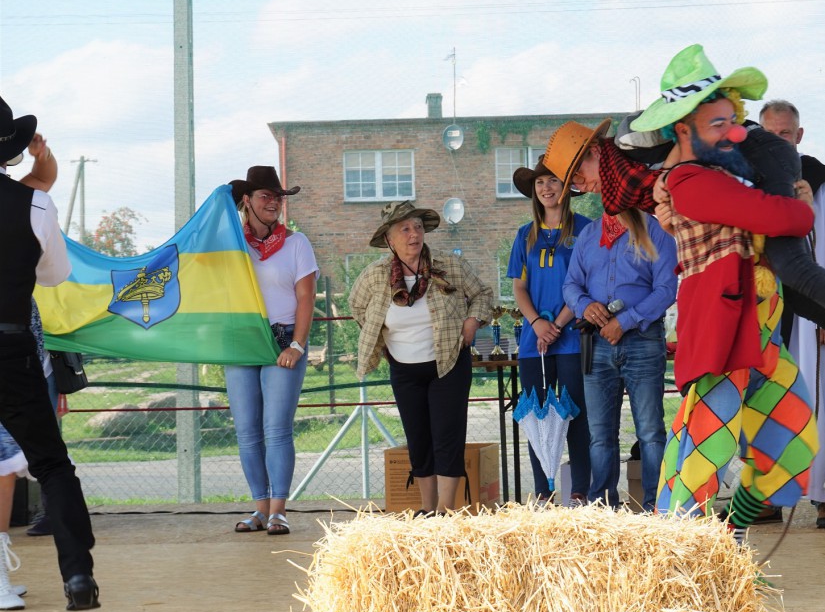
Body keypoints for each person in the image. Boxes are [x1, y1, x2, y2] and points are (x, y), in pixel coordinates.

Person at [546, 46, 825, 441]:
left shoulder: (633, 139)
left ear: (595, 152)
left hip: (762, 153)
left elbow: (707, 153)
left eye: (576, 176)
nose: (581, 188)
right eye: (574, 187)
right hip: (747, 171)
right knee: (798, 293)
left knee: (794, 268)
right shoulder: (627, 184)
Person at [586, 55, 817, 542]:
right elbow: (787, 220)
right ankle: (683, 559)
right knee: (700, 456)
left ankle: (728, 538)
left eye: (732, 118)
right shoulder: (689, 181)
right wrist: (798, 205)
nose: (735, 131)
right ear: (684, 128)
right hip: (726, 331)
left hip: (763, 331)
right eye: (720, 122)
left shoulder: (724, 171)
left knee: (792, 446)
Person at [0, 93, 99, 610]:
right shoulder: (33, 203)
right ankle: (78, 578)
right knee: (52, 465)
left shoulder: (34, 195)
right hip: (9, 346)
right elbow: (55, 275)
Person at [351, 201, 493, 515]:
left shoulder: (449, 266)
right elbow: (357, 307)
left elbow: (483, 293)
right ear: (389, 239)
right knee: (418, 438)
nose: (414, 234)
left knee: (447, 434)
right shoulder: (374, 276)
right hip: (403, 368)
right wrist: (380, 336)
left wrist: (472, 322)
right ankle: (427, 509)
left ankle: (445, 510)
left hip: (449, 363)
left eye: (417, 227)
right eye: (405, 229)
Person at [560, 176, 677, 511]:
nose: (607, 195)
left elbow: (667, 289)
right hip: (596, 343)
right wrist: (585, 305)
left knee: (651, 431)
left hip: (642, 340)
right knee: (600, 434)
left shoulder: (653, 230)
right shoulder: (588, 234)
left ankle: (656, 507)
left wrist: (623, 322)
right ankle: (603, 508)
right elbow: (571, 285)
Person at [759, 100, 825, 529]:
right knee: (764, 404)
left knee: (818, 402)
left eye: (785, 133)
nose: (777, 140)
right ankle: (767, 495)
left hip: (812, 313)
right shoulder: (749, 179)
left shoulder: (821, 181)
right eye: (769, 133)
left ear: (798, 135)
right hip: (764, 310)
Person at [226, 166, 318, 536]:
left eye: (278, 197)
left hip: (283, 339)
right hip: (242, 340)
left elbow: (306, 297)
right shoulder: (231, 245)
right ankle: (259, 509)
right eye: (266, 196)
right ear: (246, 201)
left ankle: (279, 510)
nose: (274, 203)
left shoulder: (297, 243)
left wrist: (297, 344)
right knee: (247, 431)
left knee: (276, 429)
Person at [506, 158, 591, 505]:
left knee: (576, 415)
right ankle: (543, 493)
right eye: (540, 182)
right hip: (534, 342)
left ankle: (581, 491)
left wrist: (557, 324)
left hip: (572, 338)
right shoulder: (524, 235)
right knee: (538, 415)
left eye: (554, 181)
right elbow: (519, 288)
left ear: (567, 187)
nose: (547, 188)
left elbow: (586, 283)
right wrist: (538, 324)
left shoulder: (585, 229)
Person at [0, 129, 59, 609]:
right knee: (2, 463)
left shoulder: (17, 198)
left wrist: (44, 155)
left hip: (13, 338)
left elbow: (43, 178)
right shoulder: (19, 204)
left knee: (6, 461)